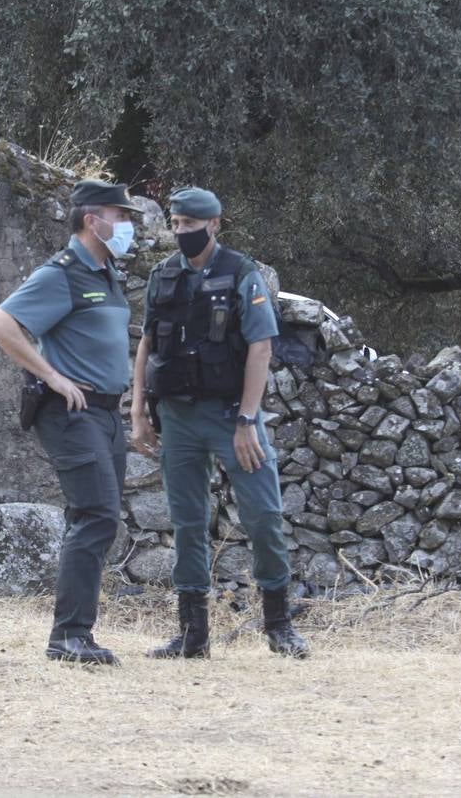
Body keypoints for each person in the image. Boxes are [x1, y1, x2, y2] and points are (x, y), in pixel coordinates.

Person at [130, 188, 309, 660]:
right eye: (176, 223)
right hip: (178, 418)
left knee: (263, 515)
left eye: (191, 224)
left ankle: (278, 626)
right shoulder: (162, 276)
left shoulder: (240, 273)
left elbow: (261, 349)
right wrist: (138, 410)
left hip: (232, 416)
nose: (181, 231)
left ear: (214, 224)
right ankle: (193, 635)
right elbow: (147, 344)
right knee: (187, 523)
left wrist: (248, 420)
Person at [0, 179, 141, 665]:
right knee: (95, 515)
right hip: (73, 413)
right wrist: (51, 375)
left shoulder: (106, 272)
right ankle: (68, 636)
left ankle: (77, 634)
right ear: (92, 221)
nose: (128, 226)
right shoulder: (63, 273)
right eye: (120, 215)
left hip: (107, 412)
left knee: (98, 516)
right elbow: (0, 324)